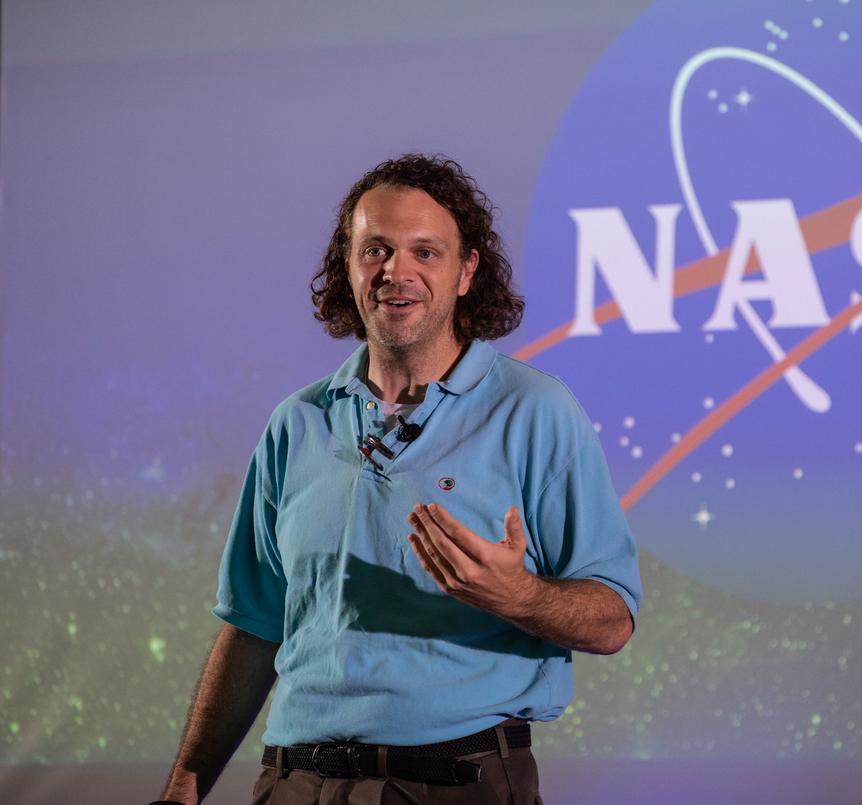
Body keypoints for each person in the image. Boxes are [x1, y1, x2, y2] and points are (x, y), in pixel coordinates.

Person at [156, 154, 642, 804]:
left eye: (425, 251)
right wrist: (184, 785)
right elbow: (252, 625)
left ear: (468, 270)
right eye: (375, 249)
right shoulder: (295, 423)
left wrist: (518, 595)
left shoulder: (535, 411)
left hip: (457, 784)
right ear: (348, 263)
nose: (396, 271)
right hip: (293, 782)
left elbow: (612, 620)